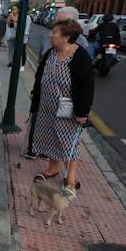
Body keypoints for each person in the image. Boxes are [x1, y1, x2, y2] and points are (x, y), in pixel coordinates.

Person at [30, 19, 94, 191]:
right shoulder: (51, 52)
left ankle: (70, 178)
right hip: (47, 107)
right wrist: (35, 97)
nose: (51, 35)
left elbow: (86, 88)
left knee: (67, 142)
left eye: (55, 33)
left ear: (66, 37)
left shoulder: (80, 57)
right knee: (50, 138)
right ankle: (52, 169)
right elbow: (39, 77)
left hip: (67, 110)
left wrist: (82, 112)